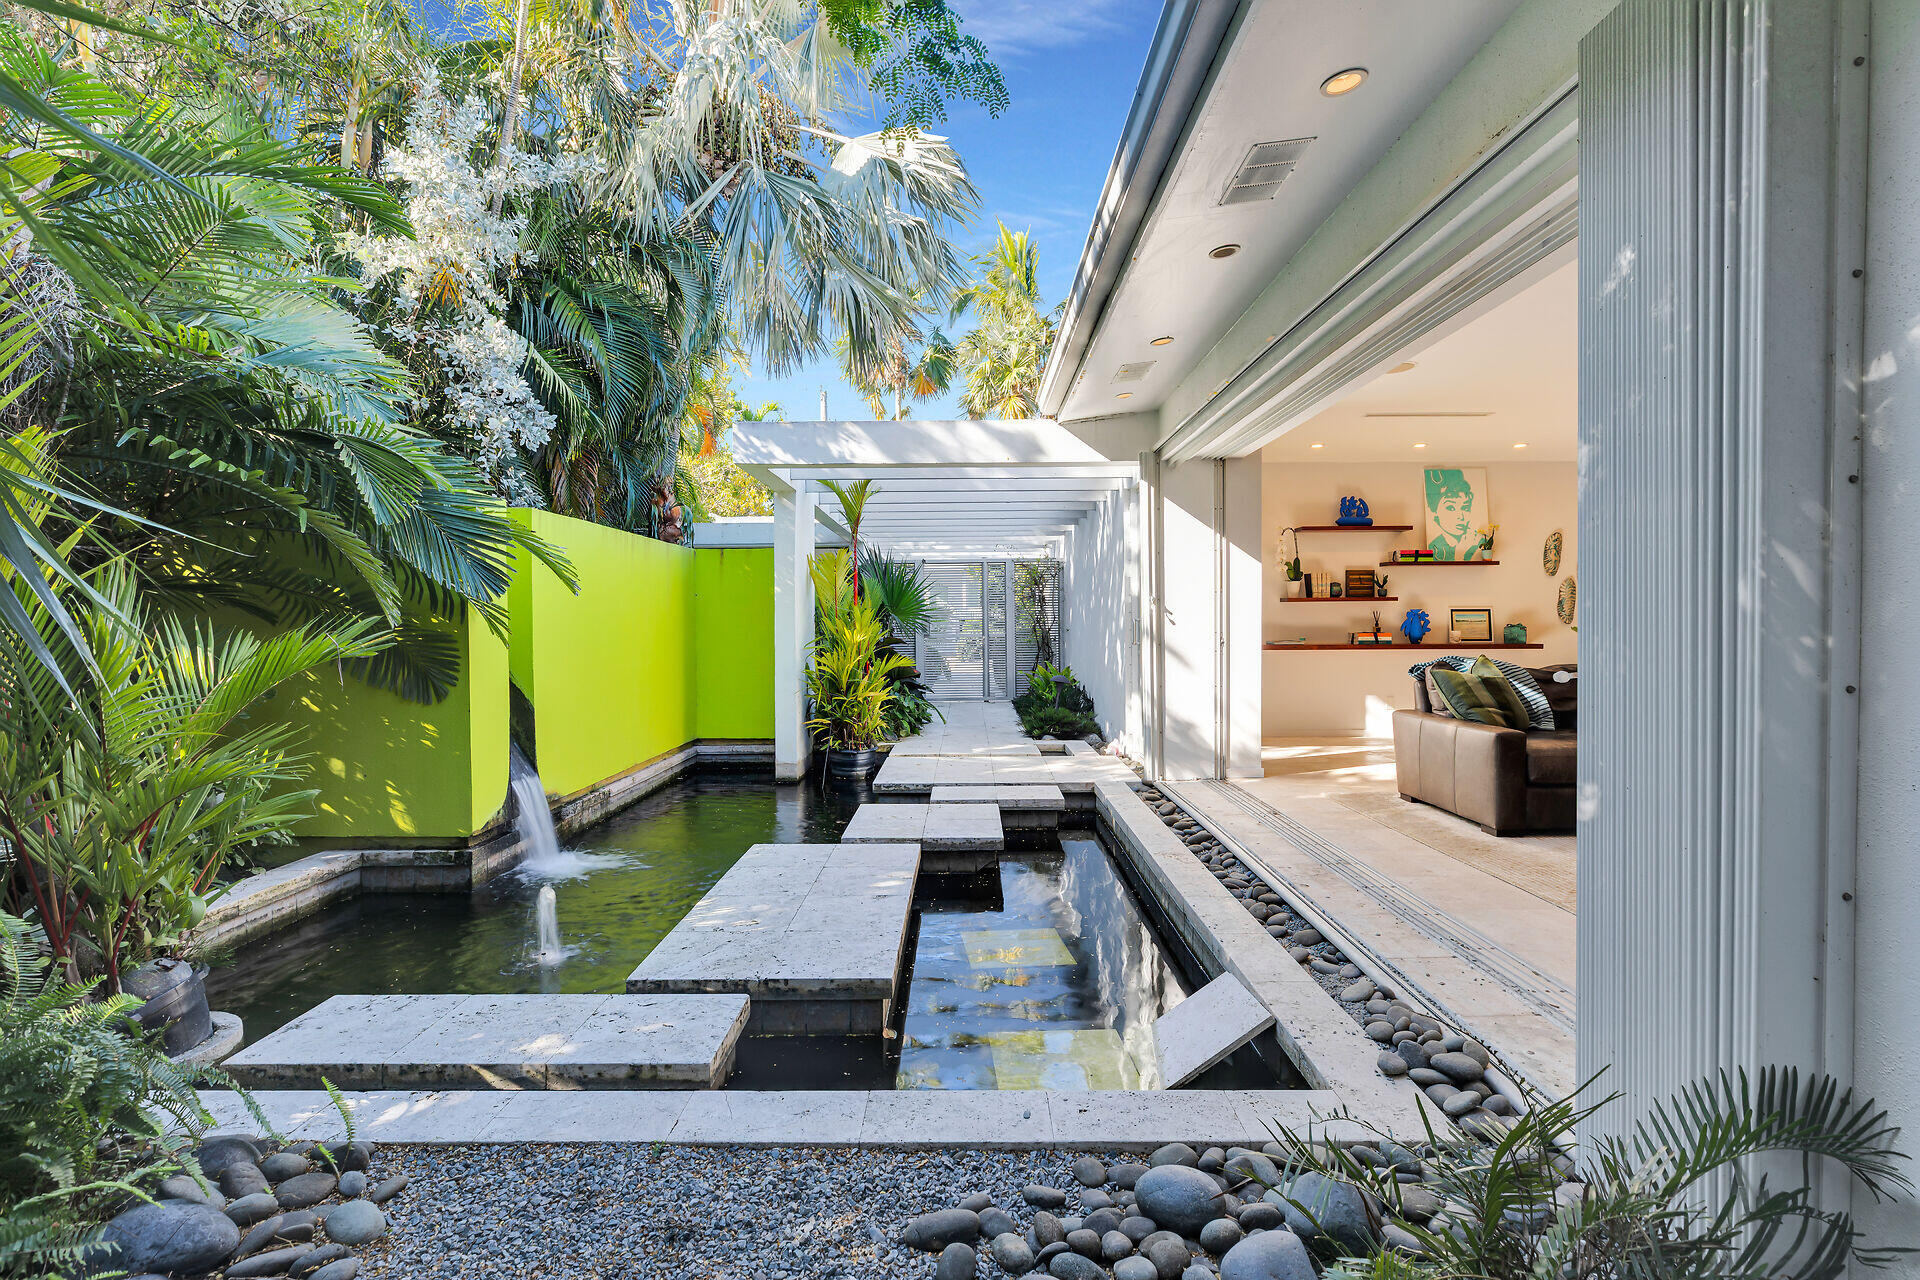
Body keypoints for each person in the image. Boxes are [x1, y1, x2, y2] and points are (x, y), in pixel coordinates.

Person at [1425, 468, 1485, 561]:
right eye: (1451, 508)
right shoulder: (1434, 549)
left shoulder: (1480, 542)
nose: (1461, 517)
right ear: (1435, 509)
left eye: (1465, 508)